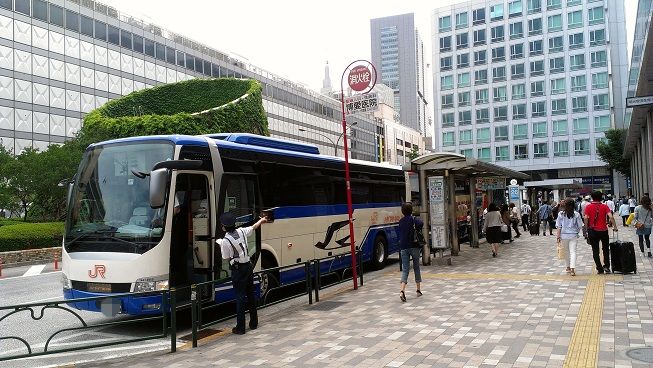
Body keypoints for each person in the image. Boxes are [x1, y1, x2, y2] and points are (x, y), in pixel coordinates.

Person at [216, 212, 268, 334]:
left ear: (223, 226)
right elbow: (254, 227)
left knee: (239, 297)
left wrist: (220, 243)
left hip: (238, 269)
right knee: (250, 294)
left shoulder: (225, 240)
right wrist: (261, 221)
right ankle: (254, 323)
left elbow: (225, 257)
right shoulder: (241, 231)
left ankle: (240, 328)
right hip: (248, 266)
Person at [584, 191, 618, 274]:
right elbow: (611, 217)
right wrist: (615, 227)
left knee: (595, 250)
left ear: (592, 197)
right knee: (605, 249)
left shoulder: (588, 207)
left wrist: (586, 228)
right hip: (603, 231)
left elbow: (585, 218)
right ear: (601, 197)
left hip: (592, 231)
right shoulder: (604, 206)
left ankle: (599, 268)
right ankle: (606, 266)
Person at [398, 202, 423, 302]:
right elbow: (421, 224)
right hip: (414, 246)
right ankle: (418, 289)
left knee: (405, 270)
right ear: (411, 210)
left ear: (402, 211)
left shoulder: (401, 221)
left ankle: (402, 291)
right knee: (416, 267)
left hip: (403, 247)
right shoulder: (413, 219)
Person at [556, 199, 584, 276]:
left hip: (564, 235)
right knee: (573, 252)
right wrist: (577, 232)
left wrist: (558, 237)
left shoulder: (561, 214)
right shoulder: (576, 214)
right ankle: (572, 269)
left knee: (566, 252)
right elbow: (580, 226)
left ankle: (568, 267)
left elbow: (559, 226)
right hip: (573, 235)